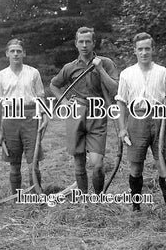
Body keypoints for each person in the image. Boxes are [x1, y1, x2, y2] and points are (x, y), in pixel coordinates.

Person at [50, 27, 119, 194]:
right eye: (81, 41)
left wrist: (100, 69)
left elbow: (115, 89)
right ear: (76, 44)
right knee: (79, 161)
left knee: (97, 163)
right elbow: (54, 85)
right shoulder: (70, 67)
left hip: (97, 113)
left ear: (94, 43)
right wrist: (65, 102)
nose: (84, 45)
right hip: (76, 113)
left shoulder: (106, 63)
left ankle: (97, 199)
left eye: (88, 41)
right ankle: (84, 200)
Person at [116, 32, 166, 211]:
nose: (144, 52)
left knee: (163, 163)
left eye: (147, 49)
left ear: (153, 50)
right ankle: (136, 207)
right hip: (137, 119)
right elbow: (121, 102)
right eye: (140, 49)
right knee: (135, 166)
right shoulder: (127, 74)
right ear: (135, 51)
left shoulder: (163, 72)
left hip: (159, 119)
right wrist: (122, 129)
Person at [0, 39, 48, 194]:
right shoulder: (0, 76)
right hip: (10, 118)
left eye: (19, 51)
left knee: (34, 160)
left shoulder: (33, 72)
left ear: (24, 53)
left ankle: (35, 194)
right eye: (12, 51)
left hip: (31, 117)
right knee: (14, 162)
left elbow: (40, 96)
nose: (16, 54)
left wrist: (45, 116)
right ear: (7, 54)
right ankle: (16, 196)